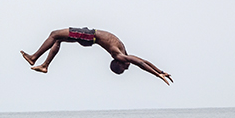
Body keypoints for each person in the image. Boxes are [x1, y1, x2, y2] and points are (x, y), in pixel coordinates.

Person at [21, 27, 173, 85]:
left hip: (89, 36)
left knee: (54, 34)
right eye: (125, 68)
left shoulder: (119, 55)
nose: (128, 67)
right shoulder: (122, 55)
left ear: (118, 63)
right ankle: (44, 65)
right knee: (57, 37)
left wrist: (157, 75)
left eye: (124, 68)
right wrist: (159, 72)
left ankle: (35, 58)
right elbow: (143, 62)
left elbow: (141, 64)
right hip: (89, 36)